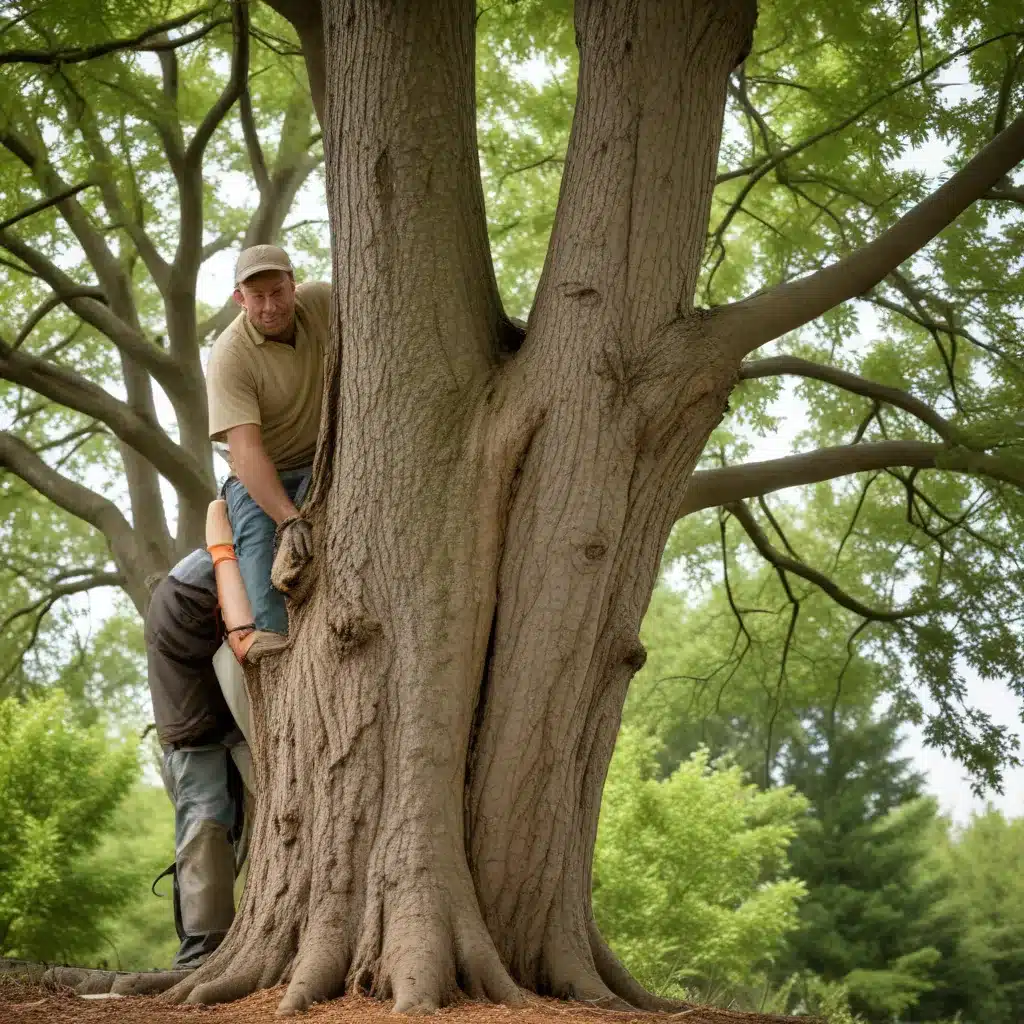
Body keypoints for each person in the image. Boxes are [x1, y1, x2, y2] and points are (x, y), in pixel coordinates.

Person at [205, 244, 331, 660]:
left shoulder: (324, 302)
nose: (270, 306)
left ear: (294, 286)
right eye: (256, 297)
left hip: (325, 454)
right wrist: (288, 518)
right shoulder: (230, 356)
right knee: (259, 542)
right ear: (239, 299)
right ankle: (274, 637)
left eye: (278, 292)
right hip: (262, 473)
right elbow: (247, 453)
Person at [145, 548, 254, 970]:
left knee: (213, 830)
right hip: (196, 740)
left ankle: (206, 946)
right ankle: (200, 951)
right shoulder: (194, 593)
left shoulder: (188, 588)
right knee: (206, 828)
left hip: (204, 734)